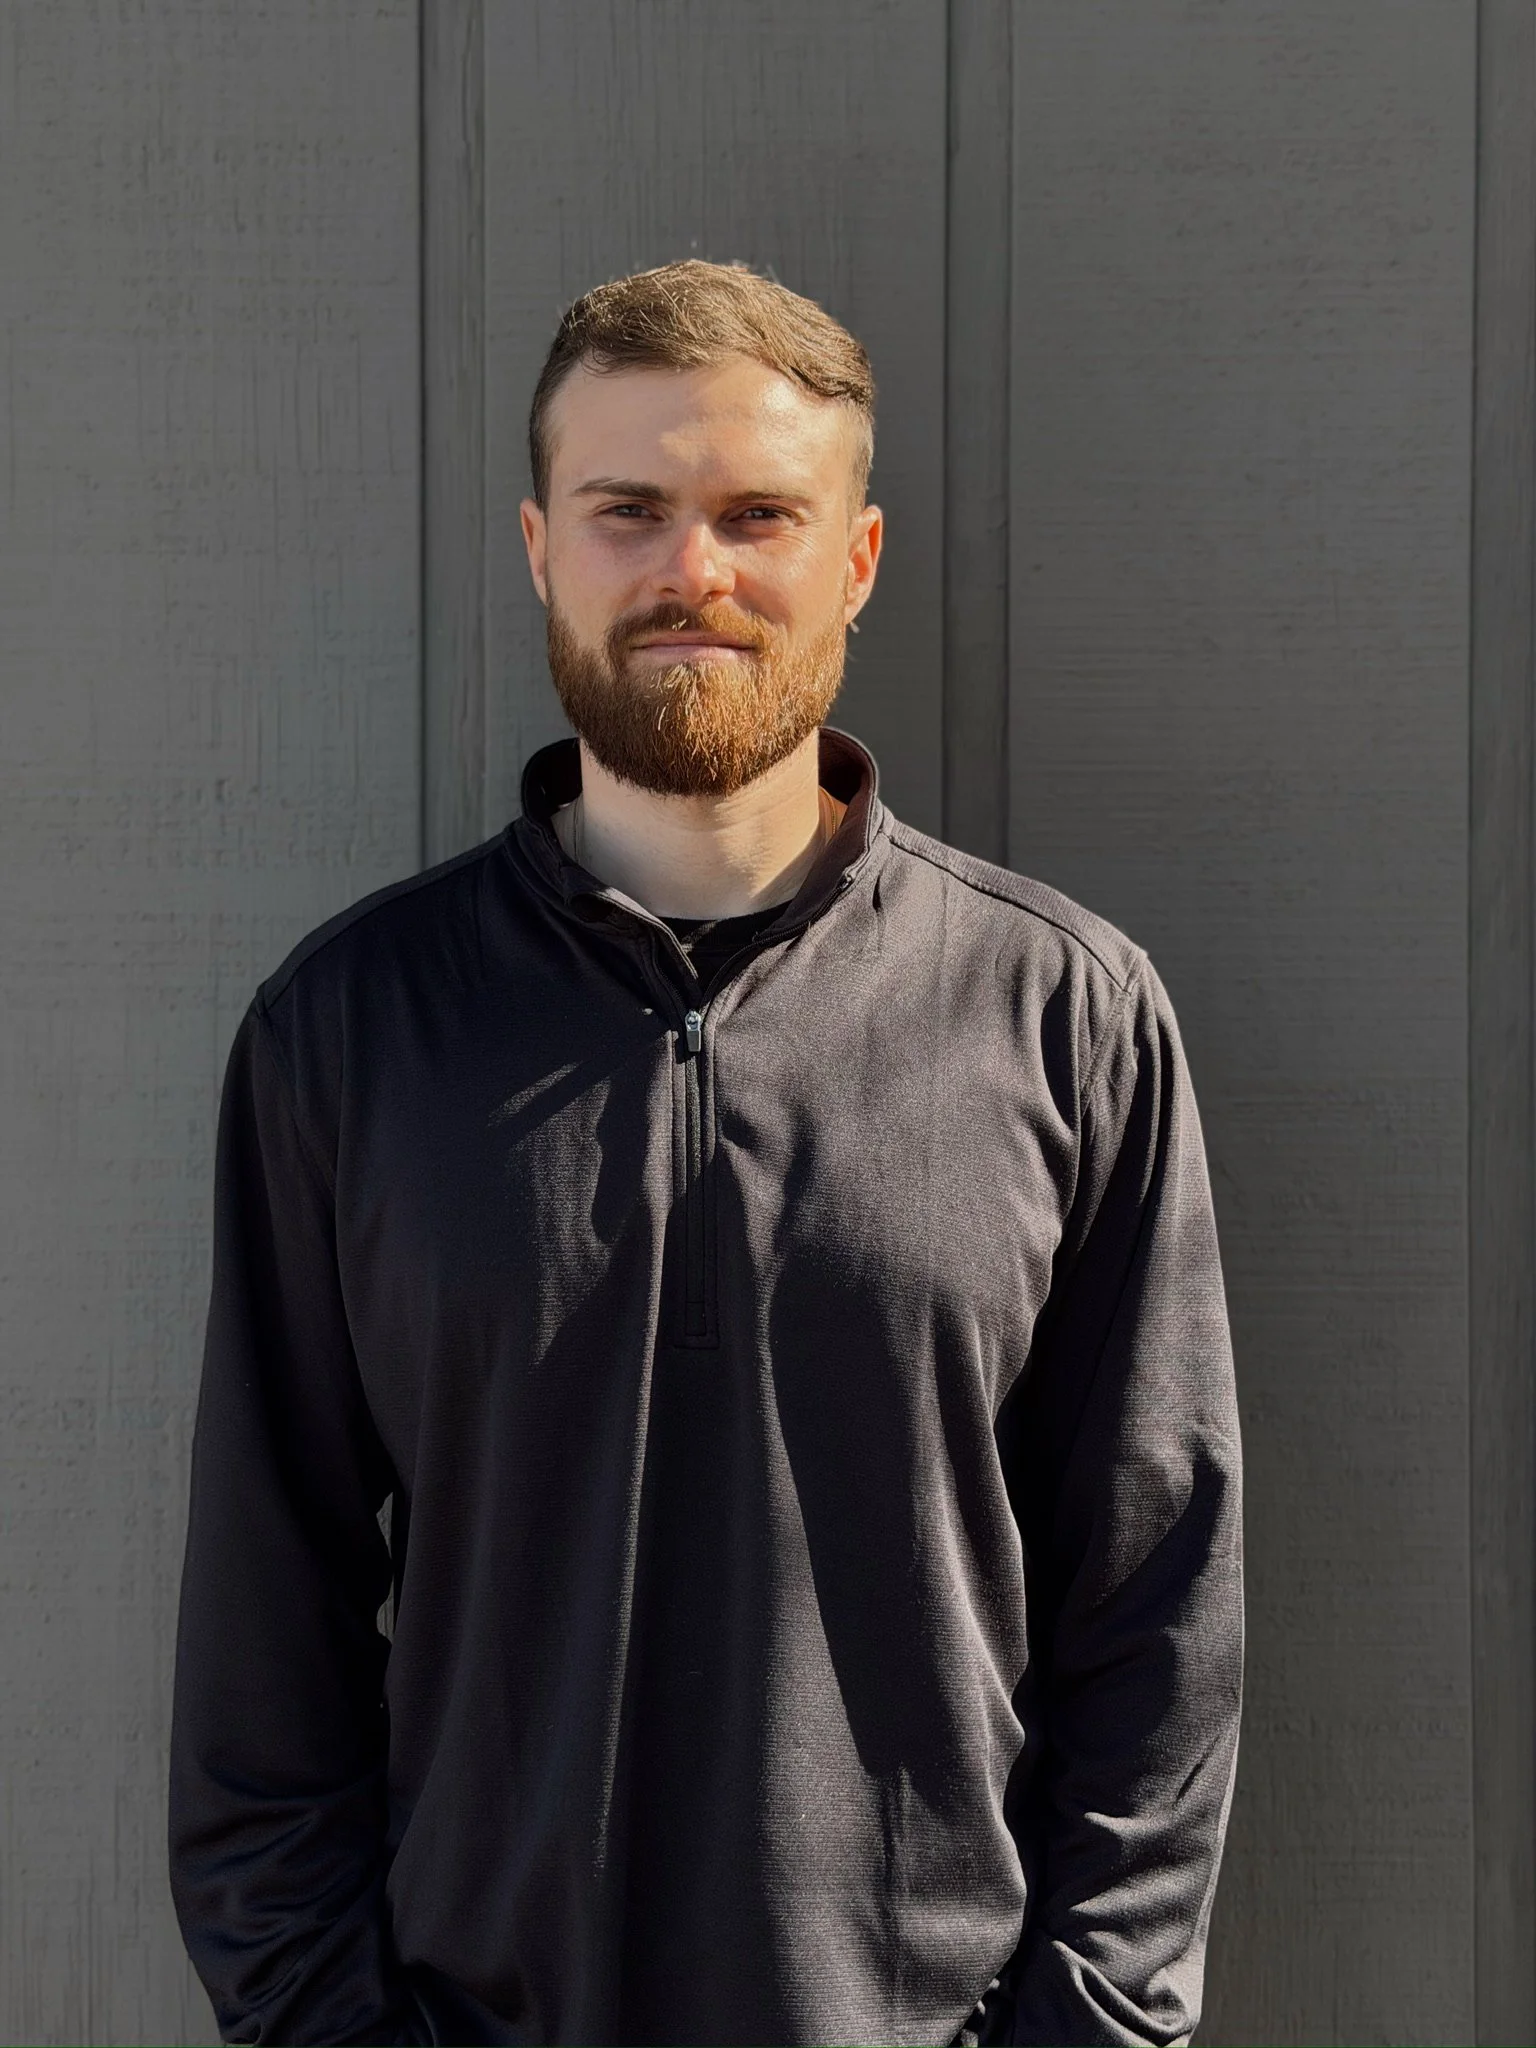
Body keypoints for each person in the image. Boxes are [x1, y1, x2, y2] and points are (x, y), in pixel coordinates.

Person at [168, 259, 1243, 2048]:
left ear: (858, 559)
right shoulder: (351, 1033)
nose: (695, 572)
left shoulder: (1061, 1013)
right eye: (629, 511)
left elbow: (1161, 1609)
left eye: (758, 515)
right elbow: (261, 1627)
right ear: (540, 548)